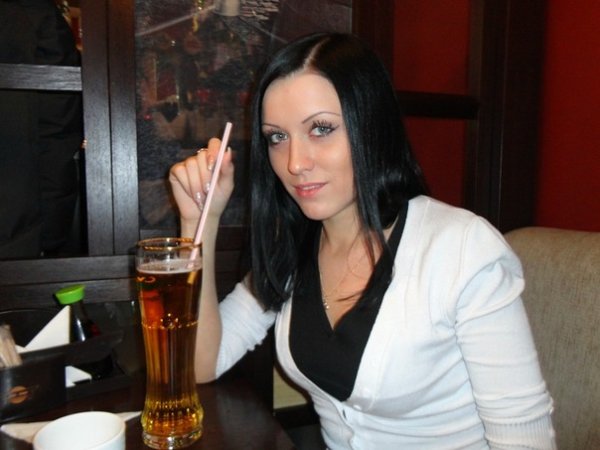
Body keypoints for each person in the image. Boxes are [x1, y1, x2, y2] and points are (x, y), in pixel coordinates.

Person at [168, 33, 556, 449]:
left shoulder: (462, 249)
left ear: (371, 125)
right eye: (277, 137)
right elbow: (201, 362)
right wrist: (199, 222)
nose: (295, 163)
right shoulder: (292, 248)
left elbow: (525, 440)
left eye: (321, 129)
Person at [0, 0, 83, 259]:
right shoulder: (32, 15)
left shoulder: (33, 15)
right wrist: (50, 235)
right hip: (16, 225)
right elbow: (58, 131)